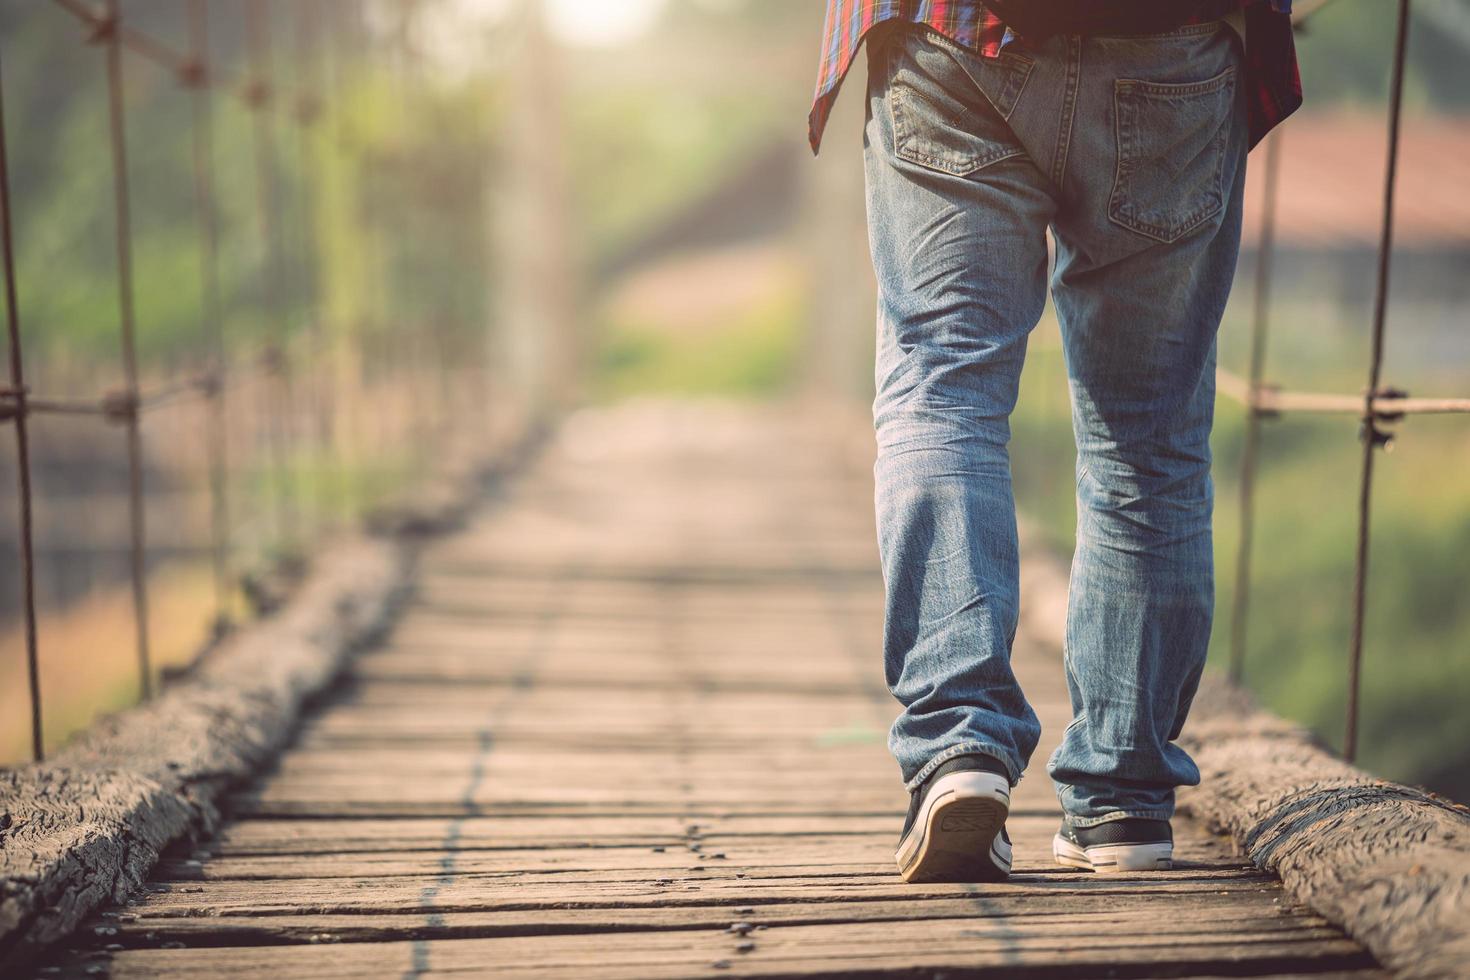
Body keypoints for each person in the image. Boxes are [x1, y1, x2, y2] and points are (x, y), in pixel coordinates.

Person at [808, 1, 1301, 882]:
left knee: (941, 388)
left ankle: (960, 747)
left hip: (953, 38)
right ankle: (1122, 801)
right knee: (1148, 440)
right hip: (1174, 47)